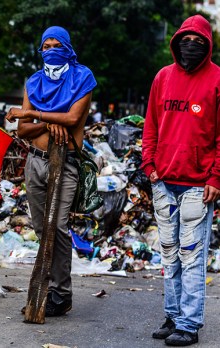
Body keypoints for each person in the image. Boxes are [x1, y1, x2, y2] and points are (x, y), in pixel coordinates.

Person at [6, 26, 96, 316]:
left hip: (66, 161)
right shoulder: (34, 82)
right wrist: (45, 124)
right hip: (35, 161)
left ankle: (61, 293)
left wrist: (34, 114)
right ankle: (42, 291)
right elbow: (22, 130)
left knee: (57, 227)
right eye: (46, 46)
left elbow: (71, 118)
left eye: (57, 45)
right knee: (41, 227)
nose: (51, 50)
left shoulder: (82, 78)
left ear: (67, 47)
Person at [142, 15, 220, 347]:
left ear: (208, 44)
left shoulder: (217, 79)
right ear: (176, 43)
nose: (191, 46)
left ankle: (189, 324)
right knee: (170, 254)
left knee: (191, 255)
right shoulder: (163, 77)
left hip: (198, 185)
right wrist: (150, 165)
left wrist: (216, 176)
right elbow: (151, 125)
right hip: (163, 181)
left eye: (199, 41)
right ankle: (173, 316)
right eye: (186, 40)